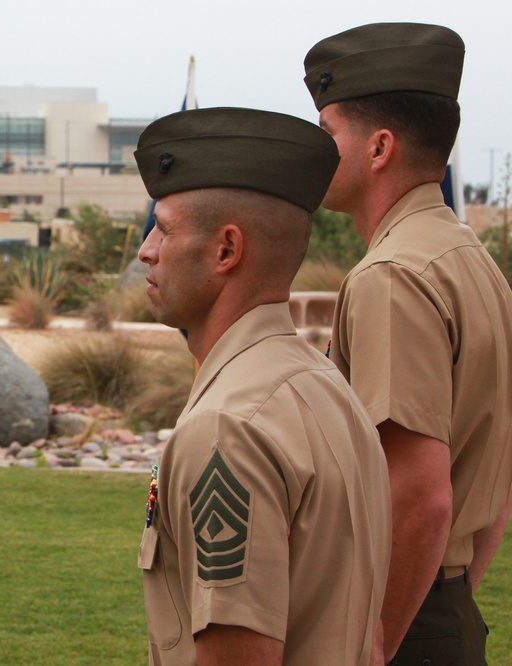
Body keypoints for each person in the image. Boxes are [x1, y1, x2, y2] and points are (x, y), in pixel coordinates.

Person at [135, 107, 391, 665]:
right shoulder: (328, 388)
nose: (146, 249)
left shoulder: (226, 426)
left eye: (165, 228)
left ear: (226, 250)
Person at [304, 23, 512, 665]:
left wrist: (375, 645)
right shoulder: (471, 261)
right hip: (441, 611)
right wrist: (449, 598)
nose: (314, 151)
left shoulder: (393, 277)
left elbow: (419, 494)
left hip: (405, 624)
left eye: (328, 131)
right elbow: (496, 476)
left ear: (379, 147)